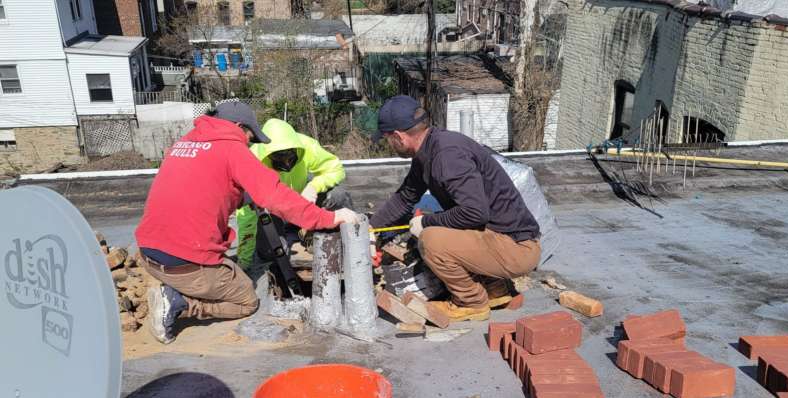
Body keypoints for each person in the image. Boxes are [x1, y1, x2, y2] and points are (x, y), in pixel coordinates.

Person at [135, 102, 358, 344]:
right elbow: (277, 198)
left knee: (225, 269)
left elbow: (205, 187)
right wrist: (329, 218)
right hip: (184, 265)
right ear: (239, 127)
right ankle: (178, 302)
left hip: (149, 255)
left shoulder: (185, 143)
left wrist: (243, 197)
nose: (249, 144)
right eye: (250, 137)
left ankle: (180, 284)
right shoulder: (232, 149)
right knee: (246, 300)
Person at [370, 96, 541, 322]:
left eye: (387, 140)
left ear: (399, 137)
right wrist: (370, 228)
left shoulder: (447, 156)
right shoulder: (429, 150)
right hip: (499, 238)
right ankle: (496, 289)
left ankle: (471, 302)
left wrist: (427, 223)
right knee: (441, 228)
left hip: (518, 248)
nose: (389, 145)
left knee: (432, 240)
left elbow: (475, 213)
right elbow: (405, 197)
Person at [235, 118, 352, 270]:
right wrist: (244, 258)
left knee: (337, 195)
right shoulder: (253, 159)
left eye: (289, 156)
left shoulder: (307, 144)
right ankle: (288, 234)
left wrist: (314, 186)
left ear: (297, 147)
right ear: (267, 153)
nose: (286, 162)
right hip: (274, 211)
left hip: (304, 203)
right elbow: (246, 214)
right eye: (278, 157)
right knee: (272, 253)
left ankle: (322, 236)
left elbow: (335, 168)